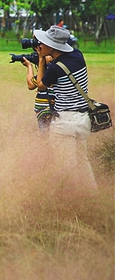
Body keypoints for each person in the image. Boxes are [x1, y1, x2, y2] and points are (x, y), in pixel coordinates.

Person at [33, 25, 97, 190]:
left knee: (65, 168)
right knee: (83, 162)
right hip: (83, 120)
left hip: (65, 122)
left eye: (43, 43)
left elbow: (40, 85)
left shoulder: (54, 68)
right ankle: (92, 196)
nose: (40, 45)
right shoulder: (78, 55)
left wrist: (41, 60)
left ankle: (72, 202)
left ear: (52, 47)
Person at [22, 44, 55, 134]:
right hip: (44, 111)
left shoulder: (52, 72)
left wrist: (31, 66)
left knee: (46, 136)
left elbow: (31, 85)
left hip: (48, 110)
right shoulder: (48, 72)